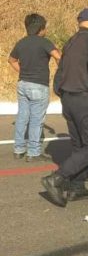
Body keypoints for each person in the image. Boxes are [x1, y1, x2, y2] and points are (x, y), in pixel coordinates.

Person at [41, 8, 88, 207]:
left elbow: (60, 71)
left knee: (79, 146)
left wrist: (62, 93)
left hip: (69, 99)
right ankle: (56, 178)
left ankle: (77, 188)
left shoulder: (71, 42)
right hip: (84, 100)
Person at [8, 13, 61, 162]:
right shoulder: (44, 42)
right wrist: (61, 71)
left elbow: (11, 60)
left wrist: (23, 71)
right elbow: (58, 56)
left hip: (23, 84)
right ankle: (33, 152)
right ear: (41, 29)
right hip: (39, 85)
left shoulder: (21, 43)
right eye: (45, 28)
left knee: (22, 116)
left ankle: (18, 149)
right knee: (37, 120)